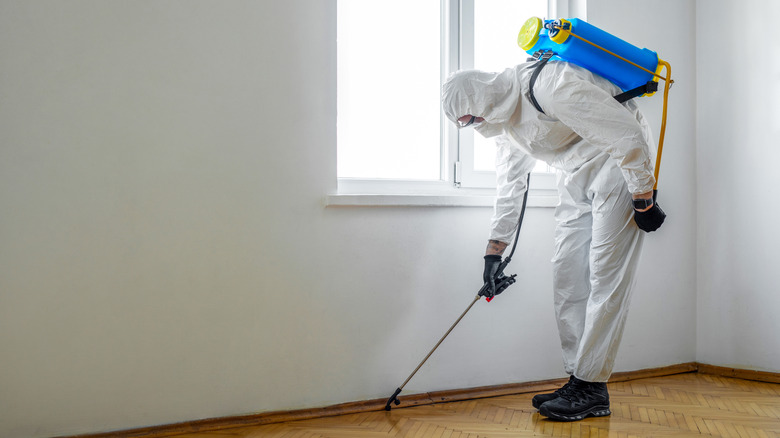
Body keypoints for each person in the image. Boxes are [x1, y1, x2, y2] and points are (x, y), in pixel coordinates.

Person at [441, 59, 666, 422]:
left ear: (478, 99)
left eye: (466, 120)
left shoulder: (548, 85)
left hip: (616, 165)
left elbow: (626, 133)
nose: (471, 127)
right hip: (575, 172)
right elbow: (511, 186)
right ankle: (579, 379)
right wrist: (494, 251)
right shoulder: (505, 121)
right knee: (567, 274)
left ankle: (591, 385)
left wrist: (643, 198)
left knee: (607, 277)